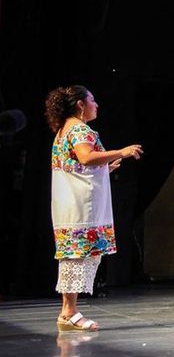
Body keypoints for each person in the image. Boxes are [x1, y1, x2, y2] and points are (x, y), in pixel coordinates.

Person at [45, 85, 142, 331]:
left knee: (75, 256)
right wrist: (122, 151)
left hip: (71, 202)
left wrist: (104, 168)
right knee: (78, 256)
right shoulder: (78, 129)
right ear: (80, 105)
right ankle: (69, 311)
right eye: (92, 100)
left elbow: (77, 166)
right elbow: (86, 157)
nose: (96, 105)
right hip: (80, 206)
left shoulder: (63, 130)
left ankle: (68, 311)